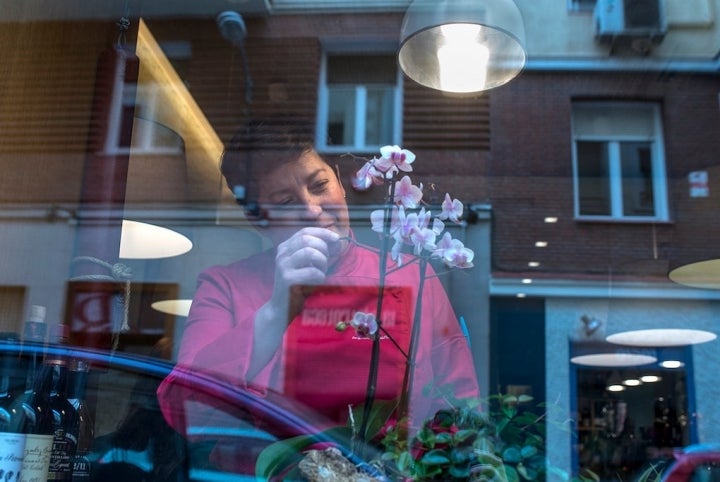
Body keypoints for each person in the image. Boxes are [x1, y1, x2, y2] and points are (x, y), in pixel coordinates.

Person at [157, 125, 480, 436]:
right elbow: (185, 410)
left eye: (319, 185)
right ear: (257, 218)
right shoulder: (225, 287)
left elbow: (457, 405)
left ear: (340, 182)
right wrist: (276, 310)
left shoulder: (411, 273)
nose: (312, 211)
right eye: (285, 202)